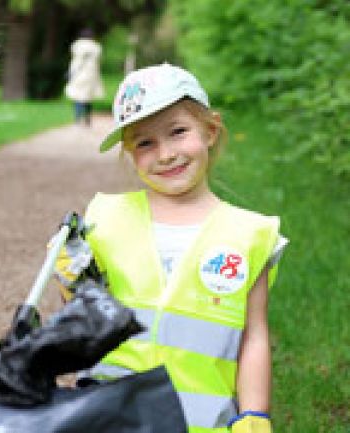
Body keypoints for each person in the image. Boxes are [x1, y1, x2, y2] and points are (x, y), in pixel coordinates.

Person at [54, 63, 287, 433]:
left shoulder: (248, 233)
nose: (165, 154)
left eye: (178, 132)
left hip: (203, 423)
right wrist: (69, 285)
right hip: (111, 417)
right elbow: (82, 326)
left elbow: (253, 334)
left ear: (210, 130)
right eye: (145, 142)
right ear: (129, 151)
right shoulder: (106, 219)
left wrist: (255, 414)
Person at [64, 28, 105, 126]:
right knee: (88, 98)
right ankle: (87, 118)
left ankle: (77, 119)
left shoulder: (78, 45)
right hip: (91, 75)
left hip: (79, 74)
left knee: (78, 96)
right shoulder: (96, 47)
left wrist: (70, 73)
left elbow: (77, 62)